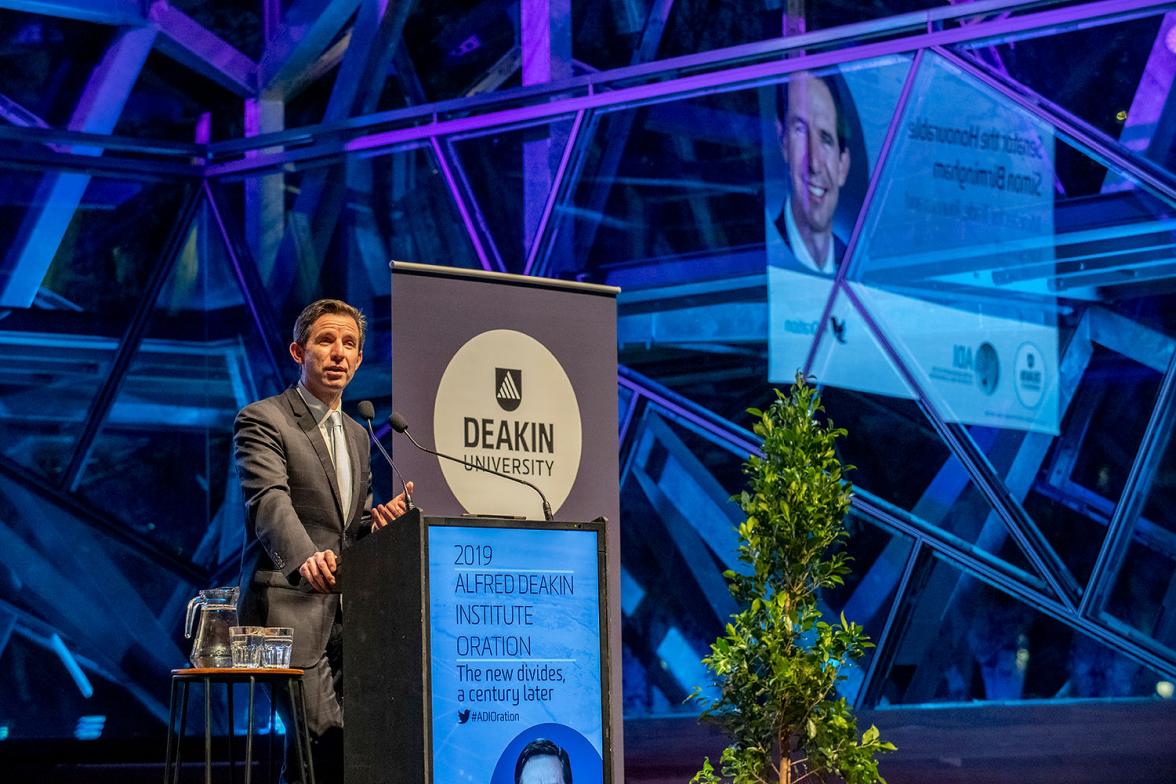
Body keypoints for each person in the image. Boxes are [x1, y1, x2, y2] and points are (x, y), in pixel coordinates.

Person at [234, 298, 413, 784]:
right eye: (326, 341)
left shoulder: (360, 435)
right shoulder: (263, 419)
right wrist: (305, 557)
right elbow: (268, 502)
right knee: (324, 740)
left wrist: (379, 525)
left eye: (350, 344)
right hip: (289, 608)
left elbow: (347, 528)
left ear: (358, 361)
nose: (338, 353)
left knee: (344, 749)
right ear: (298, 351)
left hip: (348, 619)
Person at [772, 71, 853, 275]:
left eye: (826, 139)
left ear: (842, 166)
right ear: (783, 141)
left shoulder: (854, 264)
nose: (814, 164)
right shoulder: (759, 252)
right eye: (800, 130)